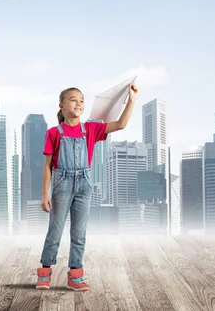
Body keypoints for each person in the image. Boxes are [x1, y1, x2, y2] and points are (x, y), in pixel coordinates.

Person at [36, 83, 138, 291]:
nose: (79, 103)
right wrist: (45, 194)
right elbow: (47, 166)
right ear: (61, 106)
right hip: (61, 183)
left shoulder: (91, 129)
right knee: (55, 230)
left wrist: (132, 101)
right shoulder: (54, 133)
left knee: (79, 233)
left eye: (82, 100)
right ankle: (45, 272)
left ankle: (75, 275)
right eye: (73, 99)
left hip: (84, 184)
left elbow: (120, 124)